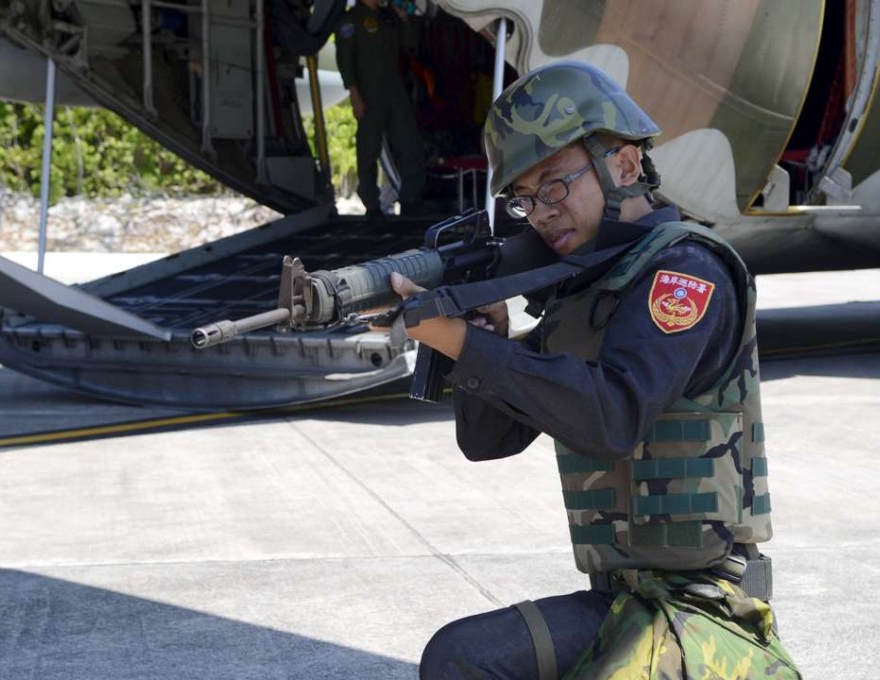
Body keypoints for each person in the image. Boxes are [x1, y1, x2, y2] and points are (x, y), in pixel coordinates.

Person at [387, 62, 801, 678]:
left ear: (627, 166)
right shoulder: (583, 291)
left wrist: (460, 343)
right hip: (621, 603)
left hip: (707, 609)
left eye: (553, 186)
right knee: (460, 658)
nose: (542, 212)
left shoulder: (684, 274)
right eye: (525, 200)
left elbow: (612, 416)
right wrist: (482, 338)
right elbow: (487, 441)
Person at [335, 0, 426, 218]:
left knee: (409, 144)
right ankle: (371, 204)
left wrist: (403, 17)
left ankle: (410, 199)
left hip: (395, 93)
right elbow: (344, 60)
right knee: (368, 149)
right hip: (368, 95)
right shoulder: (351, 20)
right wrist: (354, 95)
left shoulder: (389, 17)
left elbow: (410, 44)